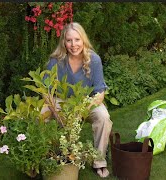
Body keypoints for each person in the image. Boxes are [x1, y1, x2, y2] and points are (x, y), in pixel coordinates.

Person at [41, 22, 113, 178]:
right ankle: (43, 158)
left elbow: (100, 92)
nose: (74, 45)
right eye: (69, 40)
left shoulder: (94, 60)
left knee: (103, 117)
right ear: (64, 42)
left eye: (77, 40)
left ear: (83, 40)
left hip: (87, 102)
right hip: (60, 102)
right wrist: (55, 110)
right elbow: (45, 92)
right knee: (41, 115)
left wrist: (81, 110)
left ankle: (99, 161)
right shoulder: (56, 61)